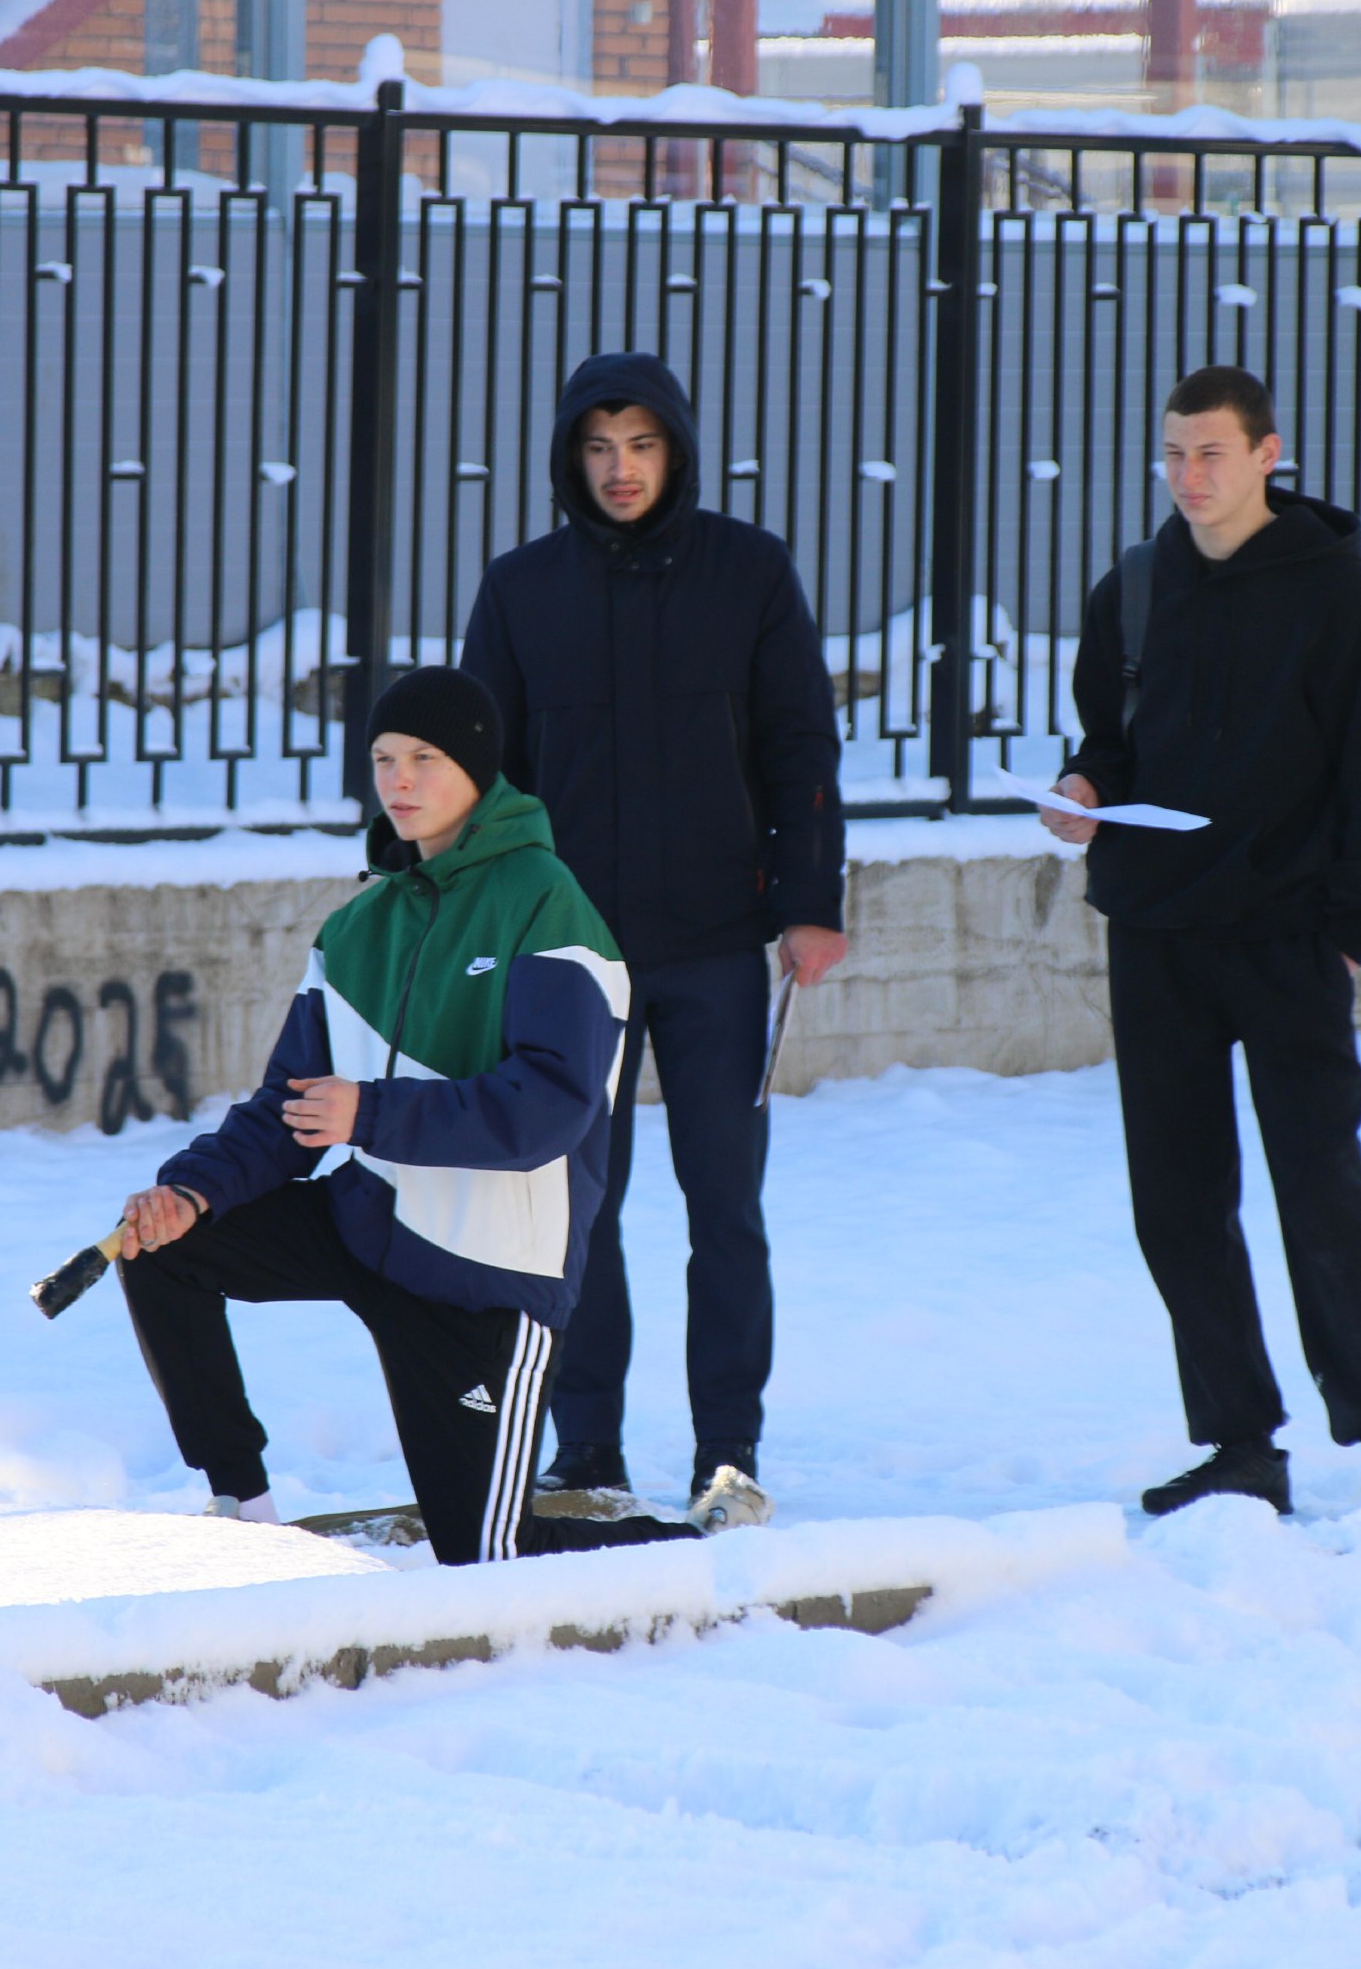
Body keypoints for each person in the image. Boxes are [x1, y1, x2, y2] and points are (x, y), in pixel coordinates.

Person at [113, 665, 771, 1564]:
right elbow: (289, 1108)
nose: (400, 780)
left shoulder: (544, 901)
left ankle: (707, 1553)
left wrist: (369, 1113)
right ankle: (245, 1511)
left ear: (477, 768)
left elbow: (549, 1109)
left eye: (425, 757)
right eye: (385, 758)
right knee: (163, 1248)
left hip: (484, 1272)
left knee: (487, 1555)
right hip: (369, 1226)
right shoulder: (358, 927)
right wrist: (193, 1192)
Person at [1041, 364, 1361, 1517]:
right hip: (1154, 932)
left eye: (1210, 452)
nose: (1188, 475)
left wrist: (1347, 933)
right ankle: (1239, 1444)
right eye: (1173, 453)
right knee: (1177, 1201)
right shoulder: (1132, 587)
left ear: (1268, 454)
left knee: (1320, 1190)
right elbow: (1110, 740)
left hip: (1286, 939)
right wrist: (1084, 787)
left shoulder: (1334, 596)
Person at [462, 352, 846, 1512]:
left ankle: (728, 1449)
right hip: (573, 959)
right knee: (576, 1205)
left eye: (639, 445)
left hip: (717, 946)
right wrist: (485, 923)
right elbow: (483, 777)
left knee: (724, 1208)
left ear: (675, 451)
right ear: (568, 459)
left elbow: (799, 743)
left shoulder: (749, 573)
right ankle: (587, 1448)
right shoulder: (523, 590)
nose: (619, 469)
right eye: (597, 447)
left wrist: (809, 902)